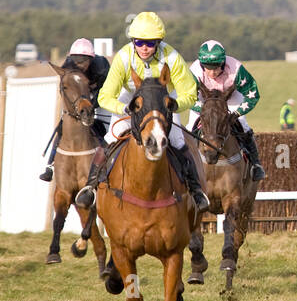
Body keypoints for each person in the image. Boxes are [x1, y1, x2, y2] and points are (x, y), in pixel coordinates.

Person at [73, 12, 210, 211]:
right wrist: (125, 108)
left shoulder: (171, 57)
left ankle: (196, 190)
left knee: (179, 141)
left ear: (159, 42)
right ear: (133, 41)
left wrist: (173, 105)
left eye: (150, 43)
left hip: (163, 103)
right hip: (131, 101)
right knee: (110, 140)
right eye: (139, 43)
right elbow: (105, 97)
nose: (144, 48)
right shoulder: (123, 57)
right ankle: (90, 187)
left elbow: (189, 93)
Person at [188, 39, 266, 181]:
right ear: (201, 64)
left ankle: (255, 164)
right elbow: (187, 96)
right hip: (203, 100)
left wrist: (236, 114)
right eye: (207, 67)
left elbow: (253, 94)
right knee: (189, 128)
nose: (212, 72)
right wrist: (206, 110)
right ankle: (187, 166)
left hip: (230, 98)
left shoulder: (236, 69)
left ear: (223, 62)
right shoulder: (194, 71)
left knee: (243, 125)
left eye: (216, 67)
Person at [39, 38, 111, 182]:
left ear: (91, 59)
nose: (79, 64)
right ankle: (50, 165)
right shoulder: (68, 65)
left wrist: (91, 105)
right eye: (76, 59)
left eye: (83, 60)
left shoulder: (102, 66)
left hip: (101, 96)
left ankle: (109, 160)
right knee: (63, 126)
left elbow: (107, 90)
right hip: (79, 97)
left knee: (107, 127)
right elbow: (66, 90)